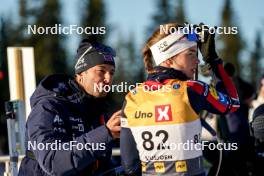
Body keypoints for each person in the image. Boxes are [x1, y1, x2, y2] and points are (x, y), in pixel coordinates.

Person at [120, 23, 240, 176]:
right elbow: (233, 103)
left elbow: (130, 166)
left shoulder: (132, 97)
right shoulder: (192, 88)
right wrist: (213, 59)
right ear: (168, 59)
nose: (197, 61)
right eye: (190, 53)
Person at [18, 38, 121, 176]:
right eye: (101, 71)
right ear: (81, 74)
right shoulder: (48, 107)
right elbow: (53, 161)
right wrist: (105, 133)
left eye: (112, 72)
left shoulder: (99, 112)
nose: (108, 79)